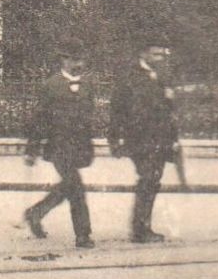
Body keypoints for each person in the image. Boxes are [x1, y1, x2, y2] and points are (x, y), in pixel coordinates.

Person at [22, 42, 97, 249]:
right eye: (74, 59)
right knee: (77, 189)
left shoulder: (88, 85)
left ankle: (35, 213)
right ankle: (83, 235)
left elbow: (88, 119)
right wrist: (32, 150)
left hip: (79, 147)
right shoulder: (51, 85)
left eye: (81, 59)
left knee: (67, 187)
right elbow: (39, 119)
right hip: (59, 147)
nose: (79, 64)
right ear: (63, 60)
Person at [109, 42, 182, 243]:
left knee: (152, 181)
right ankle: (140, 229)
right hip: (139, 140)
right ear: (144, 53)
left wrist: (174, 140)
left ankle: (142, 226)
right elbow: (116, 110)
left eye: (162, 54)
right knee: (148, 178)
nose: (160, 58)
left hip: (161, 140)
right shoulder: (130, 77)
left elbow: (170, 111)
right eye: (156, 54)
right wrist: (114, 140)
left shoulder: (163, 76)